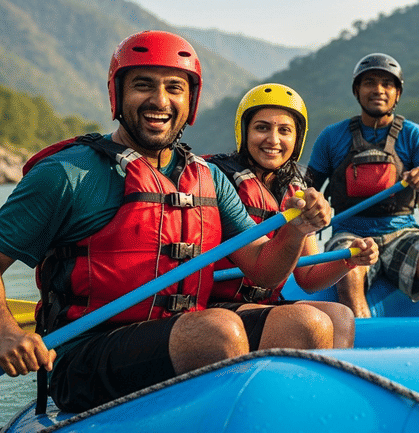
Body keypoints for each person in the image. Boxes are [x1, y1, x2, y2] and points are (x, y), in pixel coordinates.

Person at [0, 31, 338, 413]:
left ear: (190, 101)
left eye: (174, 88)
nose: (160, 100)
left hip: (183, 334)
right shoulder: (67, 173)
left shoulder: (208, 177)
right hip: (84, 357)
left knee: (311, 324)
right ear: (117, 94)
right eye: (143, 85)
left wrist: (296, 229)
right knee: (218, 333)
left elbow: (264, 271)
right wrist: (6, 333)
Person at [205, 83, 378, 348]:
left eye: (284, 130)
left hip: (263, 303)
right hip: (216, 305)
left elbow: (308, 278)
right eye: (262, 127)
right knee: (306, 320)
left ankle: (328, 388)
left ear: (297, 139)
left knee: (341, 316)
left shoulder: (294, 190)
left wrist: (350, 259)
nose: (273, 140)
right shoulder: (216, 181)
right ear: (244, 132)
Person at [307, 53, 419, 318]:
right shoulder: (331, 137)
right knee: (348, 266)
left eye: (387, 84)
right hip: (349, 233)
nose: (378, 90)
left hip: (403, 233)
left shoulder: (414, 135)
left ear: (397, 93)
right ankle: (360, 347)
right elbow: (307, 188)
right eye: (369, 83)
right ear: (357, 91)